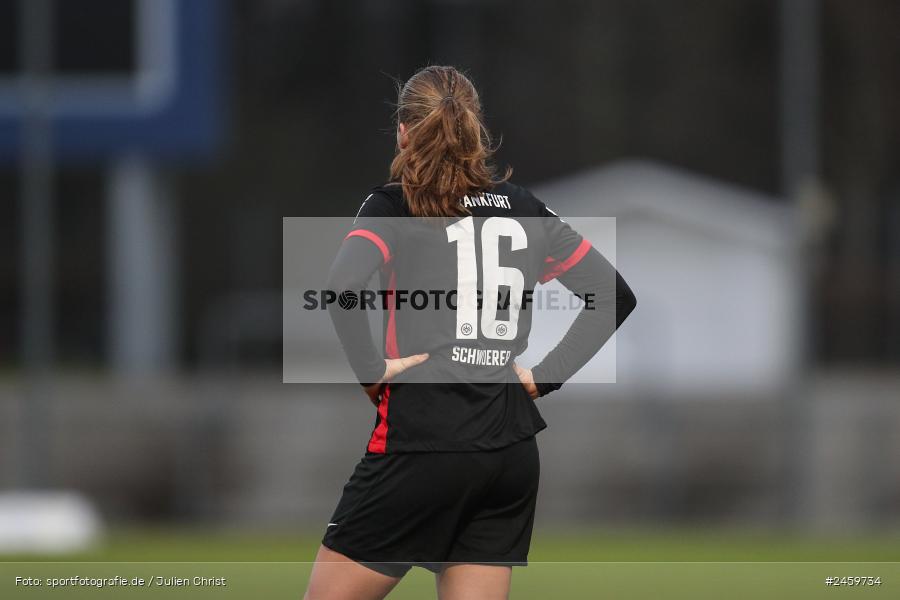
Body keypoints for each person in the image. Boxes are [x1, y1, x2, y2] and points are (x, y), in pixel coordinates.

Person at [303, 65, 636, 600]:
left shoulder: (394, 204)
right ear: (475, 130)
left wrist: (368, 370)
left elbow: (343, 283)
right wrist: (545, 376)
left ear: (404, 133)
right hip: (507, 452)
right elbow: (613, 295)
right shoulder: (525, 208)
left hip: (423, 444)